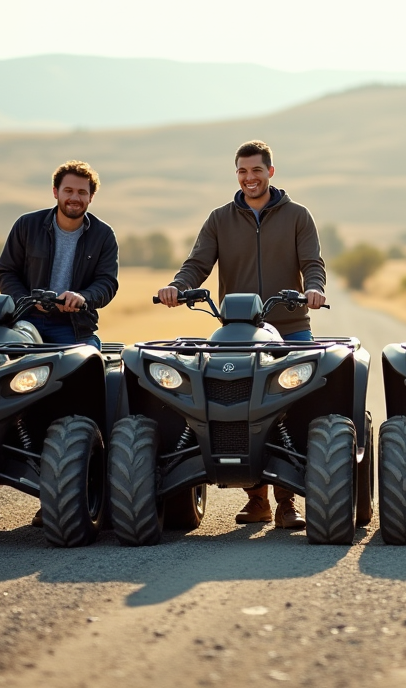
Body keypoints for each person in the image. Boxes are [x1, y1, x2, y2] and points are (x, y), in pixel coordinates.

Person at [157, 140, 326, 530]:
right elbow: (197, 264)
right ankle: (257, 500)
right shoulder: (220, 218)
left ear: (271, 171)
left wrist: (314, 288)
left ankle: (287, 502)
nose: (250, 177)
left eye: (256, 170)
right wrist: (176, 287)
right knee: (235, 407)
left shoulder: (298, 216)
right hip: (237, 331)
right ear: (237, 174)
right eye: (242, 171)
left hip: (291, 328)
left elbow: (312, 263)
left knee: (296, 409)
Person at [0, 159, 119, 351]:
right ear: (56, 192)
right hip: (25, 322)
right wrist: (29, 302)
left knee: (84, 367)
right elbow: (6, 272)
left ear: (91, 197)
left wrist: (82, 297)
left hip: (74, 327)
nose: (74, 198)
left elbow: (107, 283)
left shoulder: (103, 235)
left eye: (82, 192)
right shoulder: (27, 225)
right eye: (68, 190)